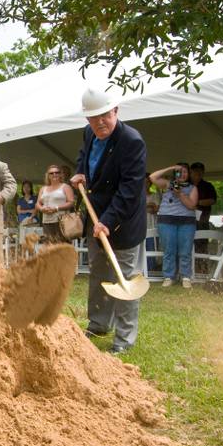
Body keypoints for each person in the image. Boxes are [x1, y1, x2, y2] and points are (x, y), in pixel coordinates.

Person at [71, 88, 147, 354]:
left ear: (116, 111)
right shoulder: (89, 132)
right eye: (93, 118)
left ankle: (124, 340)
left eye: (105, 116)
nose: (99, 122)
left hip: (123, 222)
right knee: (99, 273)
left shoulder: (131, 142)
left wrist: (108, 221)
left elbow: (129, 191)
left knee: (125, 279)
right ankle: (99, 323)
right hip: (96, 217)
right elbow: (85, 155)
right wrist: (80, 171)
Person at [150, 164, 199, 288]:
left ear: (189, 174)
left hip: (186, 222)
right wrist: (169, 168)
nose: (182, 174)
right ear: (174, 173)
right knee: (169, 249)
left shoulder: (192, 188)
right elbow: (152, 177)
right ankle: (168, 276)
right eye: (179, 172)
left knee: (185, 250)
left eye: (185, 172)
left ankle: (185, 276)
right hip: (166, 221)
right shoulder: (167, 184)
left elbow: (191, 205)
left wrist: (180, 194)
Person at [36, 164, 76, 244]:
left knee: (63, 245)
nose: (54, 174)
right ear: (48, 176)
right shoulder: (43, 188)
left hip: (62, 221)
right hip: (47, 221)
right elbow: (38, 203)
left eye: (57, 172)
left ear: (60, 174)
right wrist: (42, 209)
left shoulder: (66, 187)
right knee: (50, 245)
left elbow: (71, 202)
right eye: (52, 173)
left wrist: (56, 208)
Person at [145, 174, 161, 271]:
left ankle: (151, 268)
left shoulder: (155, 195)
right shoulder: (136, 196)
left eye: (147, 182)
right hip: (140, 227)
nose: (145, 184)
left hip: (152, 225)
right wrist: (148, 205)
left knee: (152, 247)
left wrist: (149, 207)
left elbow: (156, 208)